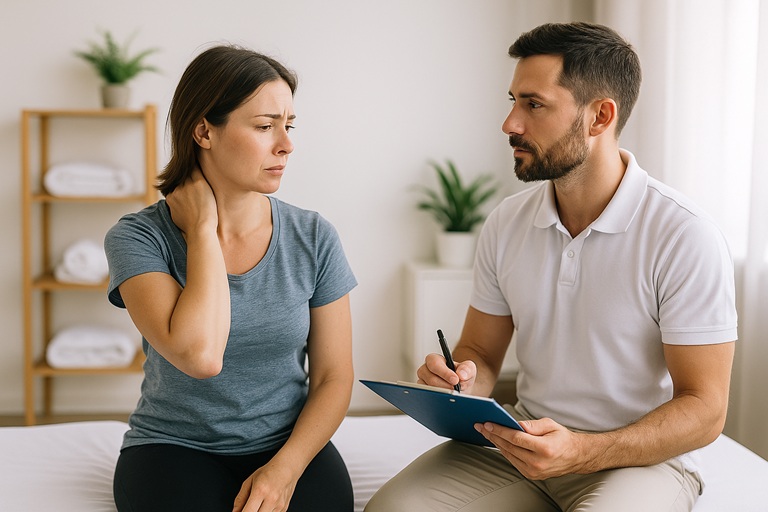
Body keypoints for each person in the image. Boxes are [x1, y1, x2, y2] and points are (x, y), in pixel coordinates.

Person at [365, 21, 736, 512]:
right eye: (513, 100)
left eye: (533, 105)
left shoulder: (684, 235)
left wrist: (581, 452)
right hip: (522, 442)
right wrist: (459, 382)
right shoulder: (507, 223)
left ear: (599, 116)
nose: (510, 123)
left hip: (639, 461)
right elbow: (480, 349)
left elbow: (706, 410)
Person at [105, 45, 356, 512]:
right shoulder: (138, 239)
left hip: (286, 444)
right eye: (265, 126)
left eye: (289, 125)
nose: (286, 144)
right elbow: (200, 357)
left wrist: (284, 472)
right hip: (171, 447)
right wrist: (202, 231)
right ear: (203, 130)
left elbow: (333, 377)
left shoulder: (314, 236)